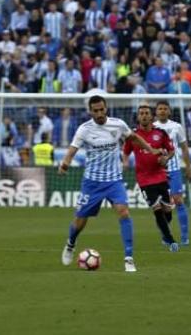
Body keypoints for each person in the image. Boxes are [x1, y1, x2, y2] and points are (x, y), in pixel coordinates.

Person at [58, 95, 161, 272]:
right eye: (95, 110)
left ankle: (129, 258)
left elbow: (134, 138)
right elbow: (73, 149)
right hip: (92, 182)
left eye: (102, 109)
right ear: (90, 111)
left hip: (114, 180)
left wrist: (151, 149)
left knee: (123, 212)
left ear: (106, 108)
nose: (99, 113)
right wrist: (65, 163)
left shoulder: (118, 124)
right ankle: (70, 243)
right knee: (80, 220)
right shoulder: (84, 129)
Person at [123, 105, 179, 252]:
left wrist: (166, 158)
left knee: (167, 211)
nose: (144, 116)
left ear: (152, 116)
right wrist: (125, 162)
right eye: (141, 113)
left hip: (160, 175)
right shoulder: (132, 135)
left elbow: (172, 150)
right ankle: (169, 239)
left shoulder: (160, 133)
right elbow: (126, 152)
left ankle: (163, 230)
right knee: (156, 207)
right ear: (138, 117)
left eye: (147, 113)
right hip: (144, 179)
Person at [154, 101, 191, 245]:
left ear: (169, 112)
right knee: (162, 205)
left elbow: (184, 148)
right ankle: (166, 236)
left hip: (174, 169)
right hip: (157, 171)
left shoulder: (177, 127)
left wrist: (188, 167)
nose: (163, 111)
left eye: (165, 109)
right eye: (160, 109)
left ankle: (184, 237)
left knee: (178, 200)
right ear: (156, 112)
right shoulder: (153, 128)